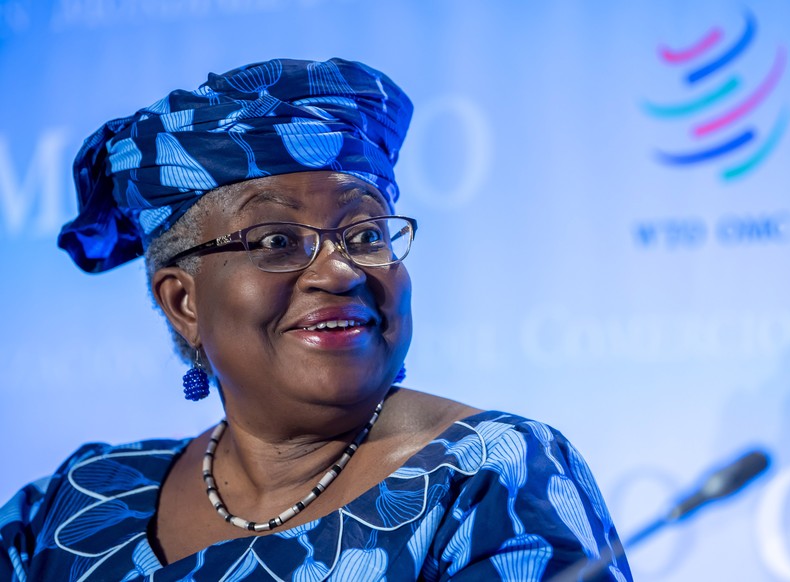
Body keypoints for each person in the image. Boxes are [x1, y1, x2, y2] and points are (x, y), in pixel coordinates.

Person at [0, 58, 632, 581]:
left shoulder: (486, 477)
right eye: (275, 241)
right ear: (183, 303)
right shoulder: (76, 501)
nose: (339, 271)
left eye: (365, 234)